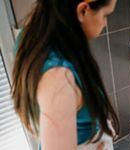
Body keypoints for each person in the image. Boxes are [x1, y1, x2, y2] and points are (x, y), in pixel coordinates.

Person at [11, 0, 118, 149]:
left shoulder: (31, 38)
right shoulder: (57, 78)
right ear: (83, 11)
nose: (105, 23)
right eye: (105, 15)